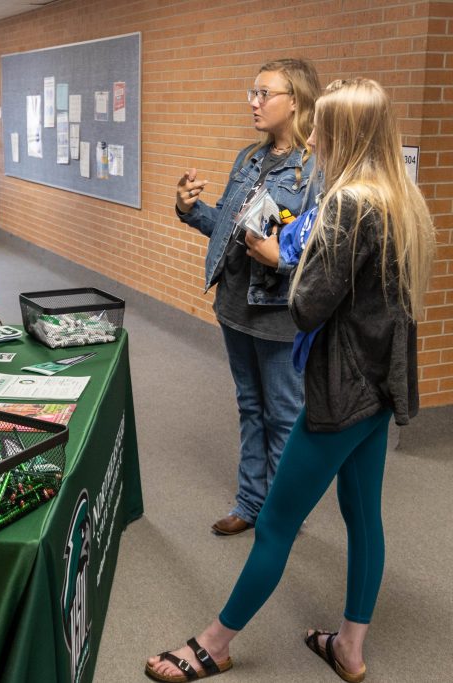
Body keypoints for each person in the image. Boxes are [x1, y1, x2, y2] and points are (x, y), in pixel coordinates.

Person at [146, 77, 436, 682]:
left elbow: (307, 306)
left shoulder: (349, 203)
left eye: (326, 124)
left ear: (344, 132)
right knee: (364, 518)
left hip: (341, 392)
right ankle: (350, 648)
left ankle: (214, 644)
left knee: (275, 525)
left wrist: (287, 258)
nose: (318, 136)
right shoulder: (400, 197)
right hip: (380, 388)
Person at [176, 59, 321, 536]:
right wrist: (191, 209)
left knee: (284, 415)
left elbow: (322, 254)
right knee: (250, 408)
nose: (254, 103)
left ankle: (281, 517)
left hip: (278, 313)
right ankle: (250, 502)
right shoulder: (249, 159)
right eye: (252, 93)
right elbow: (228, 228)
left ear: (296, 101)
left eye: (265, 94)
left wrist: (277, 256)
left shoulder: (316, 171)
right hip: (235, 306)